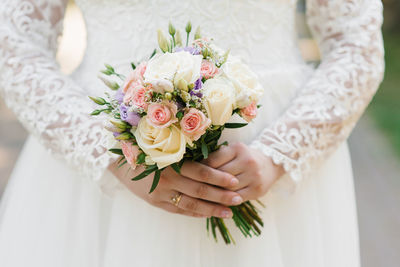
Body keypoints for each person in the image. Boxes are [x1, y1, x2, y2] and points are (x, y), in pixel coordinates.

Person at [0, 0, 384, 266]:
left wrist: (281, 152)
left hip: (267, 161)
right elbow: (15, 46)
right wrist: (109, 154)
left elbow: (357, 43)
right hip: (102, 164)